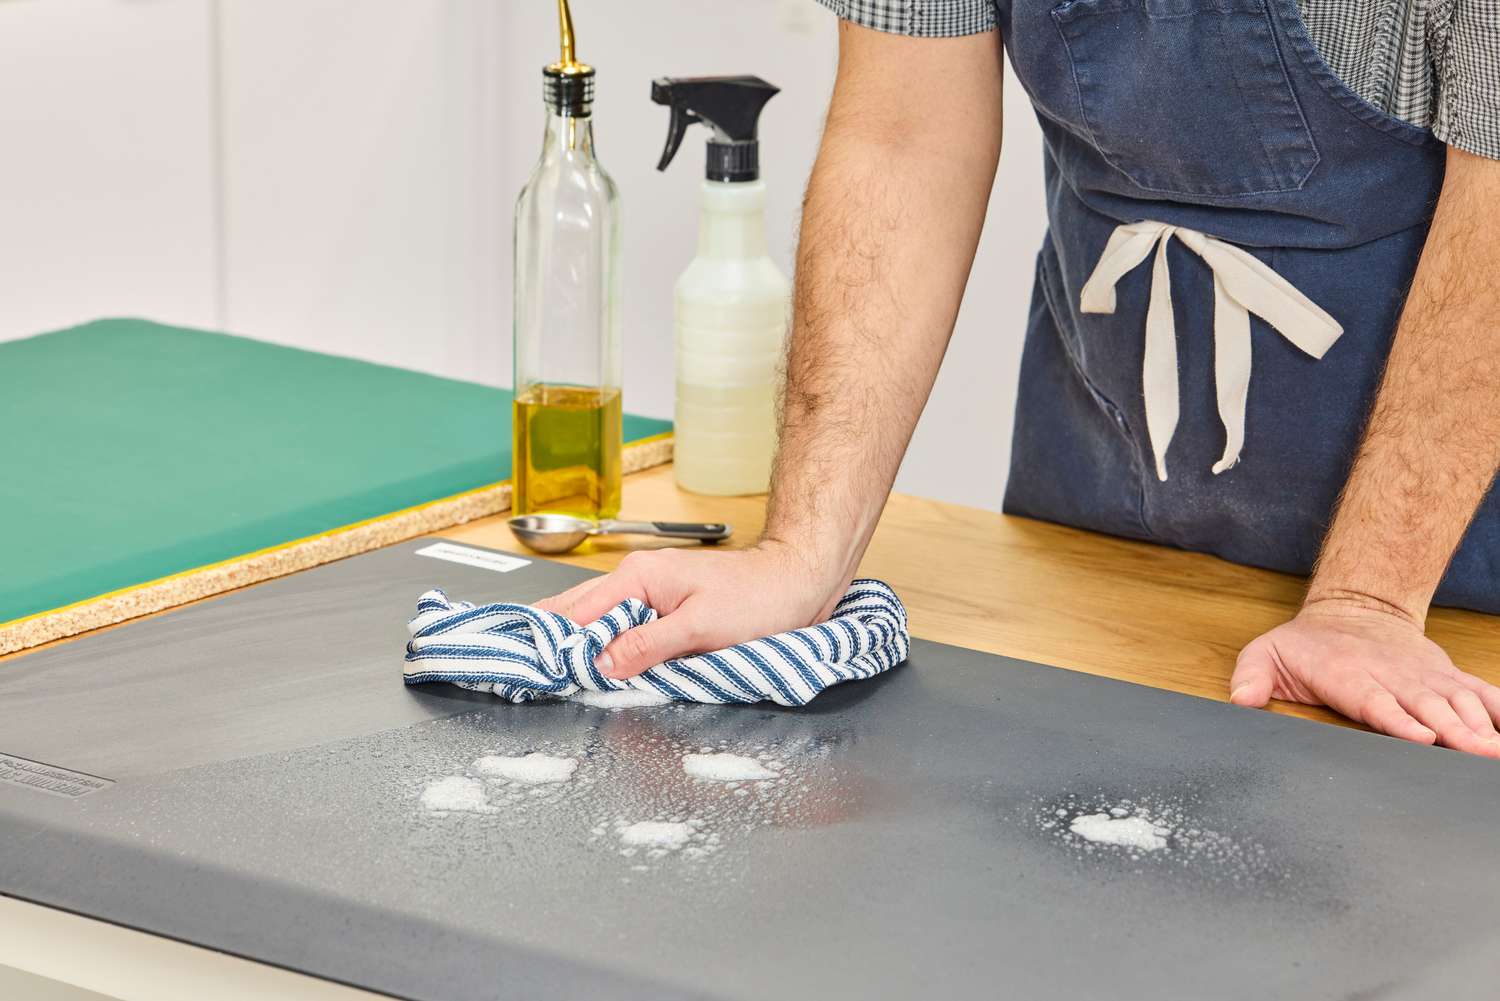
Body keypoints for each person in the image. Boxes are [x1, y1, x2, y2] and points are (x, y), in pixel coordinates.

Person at [540, 2, 1500, 757]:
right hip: (1100, 503)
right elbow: (901, 137)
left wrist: (1368, 604)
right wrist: (801, 551)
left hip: (1445, 589)